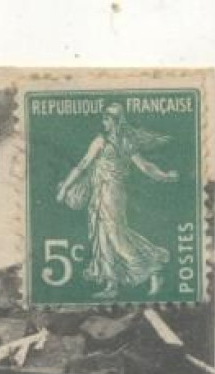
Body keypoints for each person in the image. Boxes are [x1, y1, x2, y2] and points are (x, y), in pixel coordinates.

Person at [56, 102, 179, 298]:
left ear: (115, 121)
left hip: (112, 193)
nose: (103, 122)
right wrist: (66, 187)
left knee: (115, 235)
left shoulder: (116, 142)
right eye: (104, 118)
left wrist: (164, 176)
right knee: (102, 235)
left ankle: (153, 269)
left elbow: (144, 166)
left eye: (107, 118)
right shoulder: (108, 141)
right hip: (100, 192)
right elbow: (83, 166)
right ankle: (111, 284)